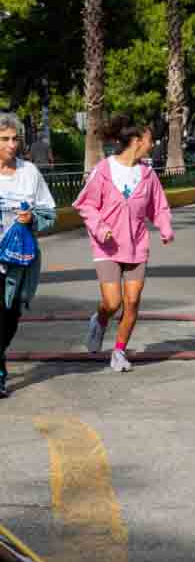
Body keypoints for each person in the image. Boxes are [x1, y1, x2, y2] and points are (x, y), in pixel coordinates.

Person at [73, 114, 174, 373]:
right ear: (137, 140)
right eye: (150, 139)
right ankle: (100, 320)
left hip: (137, 245)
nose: (152, 144)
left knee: (132, 301)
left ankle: (118, 351)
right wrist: (100, 228)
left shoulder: (148, 174)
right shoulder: (104, 170)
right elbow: (85, 204)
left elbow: (159, 206)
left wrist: (165, 227)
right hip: (106, 247)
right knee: (112, 302)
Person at [0, 113, 56, 398]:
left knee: (9, 319)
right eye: (5, 139)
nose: (12, 144)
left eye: (15, 139)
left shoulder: (30, 173)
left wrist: (31, 218)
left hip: (18, 263)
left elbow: (49, 213)